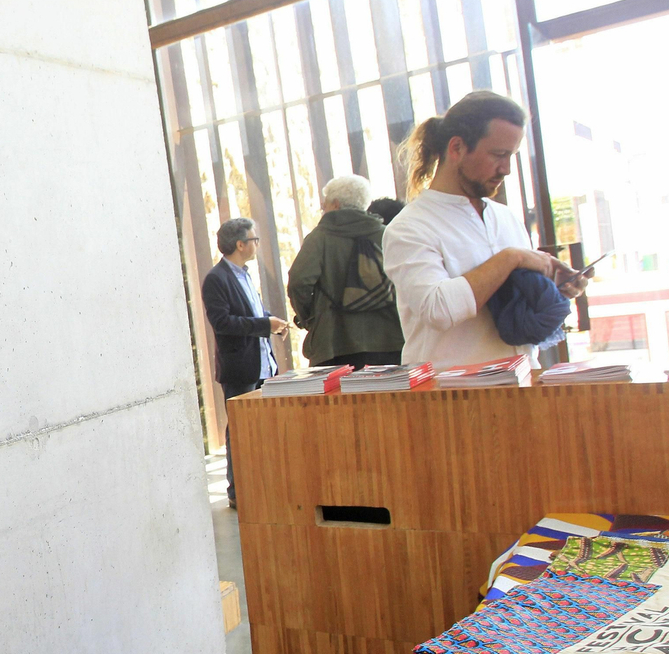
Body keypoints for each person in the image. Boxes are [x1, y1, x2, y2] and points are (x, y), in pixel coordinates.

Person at [382, 91, 583, 369]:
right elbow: (439, 310)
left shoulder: (506, 218)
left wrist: (553, 287)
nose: (507, 169)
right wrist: (511, 258)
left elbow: (514, 303)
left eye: (511, 155)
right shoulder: (409, 228)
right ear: (457, 148)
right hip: (452, 397)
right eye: (498, 155)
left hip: (523, 383)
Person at [201, 217, 287, 510]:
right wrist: (265, 324)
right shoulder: (217, 278)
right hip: (240, 367)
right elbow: (222, 322)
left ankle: (262, 483)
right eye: (254, 240)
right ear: (240, 244)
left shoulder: (246, 274)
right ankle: (237, 490)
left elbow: (252, 311)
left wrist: (271, 323)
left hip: (263, 363)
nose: (257, 245)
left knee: (261, 428)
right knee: (239, 430)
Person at [286, 175, 403, 370]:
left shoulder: (319, 238)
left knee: (342, 401)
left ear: (336, 204)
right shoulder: (386, 234)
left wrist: (309, 318)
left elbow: (299, 282)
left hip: (335, 343)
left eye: (324, 205)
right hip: (390, 339)